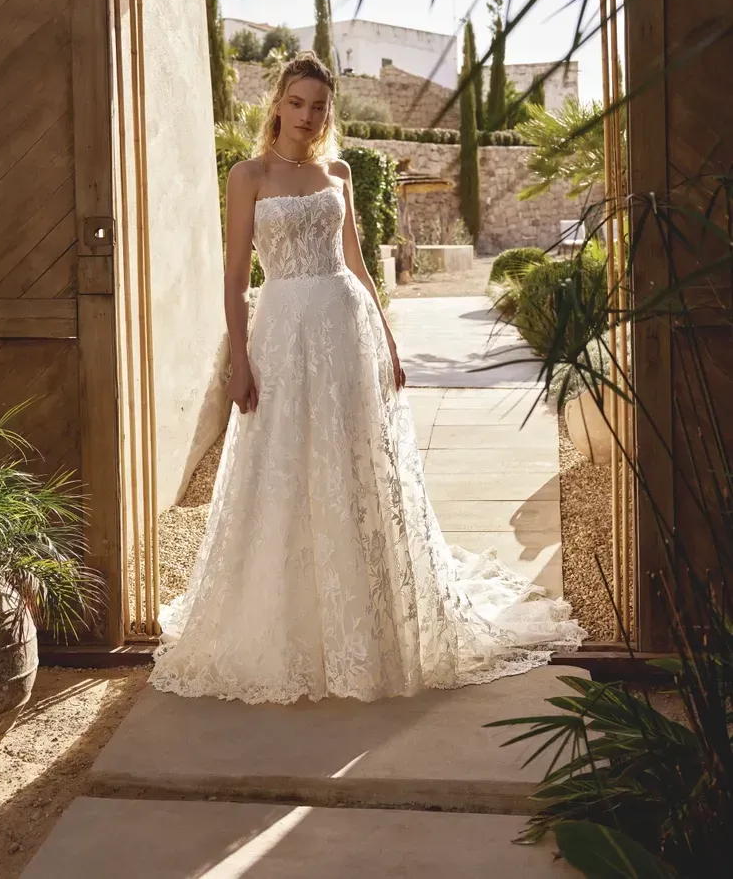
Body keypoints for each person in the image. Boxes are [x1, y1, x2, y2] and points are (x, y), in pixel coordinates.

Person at [150, 51, 584, 704]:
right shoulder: (249, 176)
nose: (306, 114)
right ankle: (289, 623)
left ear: (329, 110)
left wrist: (388, 342)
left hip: (343, 331)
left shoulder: (341, 173)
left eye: (318, 105)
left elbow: (356, 263)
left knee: (353, 467)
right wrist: (239, 360)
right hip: (283, 331)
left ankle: (367, 618)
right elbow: (236, 276)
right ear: (277, 102)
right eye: (296, 102)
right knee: (283, 466)